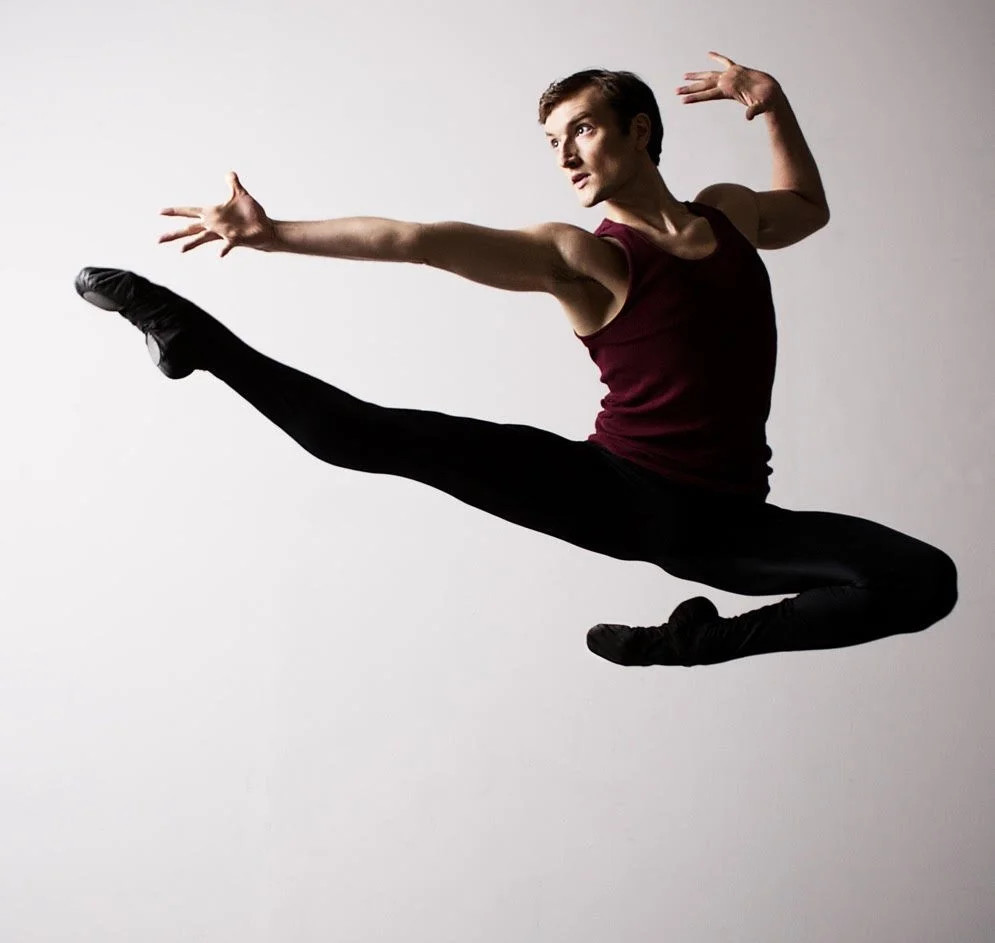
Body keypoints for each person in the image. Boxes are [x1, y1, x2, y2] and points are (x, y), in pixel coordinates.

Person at [74, 52, 957, 667]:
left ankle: (699, 641)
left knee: (923, 580)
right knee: (378, 437)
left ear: (639, 130)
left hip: (734, 525)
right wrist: (274, 235)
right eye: (551, 142)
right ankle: (193, 336)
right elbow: (418, 240)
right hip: (621, 492)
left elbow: (805, 205)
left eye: (580, 129)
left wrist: (769, 101)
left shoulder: (728, 215)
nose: (564, 154)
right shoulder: (582, 257)